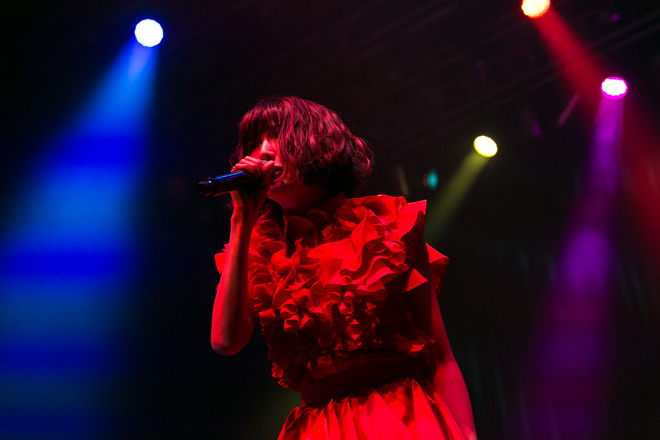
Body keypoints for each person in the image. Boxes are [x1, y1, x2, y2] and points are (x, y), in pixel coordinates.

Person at [211, 96, 477, 440]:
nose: (261, 152)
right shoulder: (257, 249)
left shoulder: (388, 225)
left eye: (275, 135)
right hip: (317, 428)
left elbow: (441, 359)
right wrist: (242, 217)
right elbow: (225, 342)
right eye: (253, 144)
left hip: (399, 417)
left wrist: (467, 435)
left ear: (317, 142)